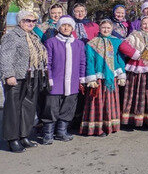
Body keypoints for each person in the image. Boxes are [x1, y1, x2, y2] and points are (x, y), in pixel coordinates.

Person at [0, 11, 48, 152]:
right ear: (20, 21)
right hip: (17, 78)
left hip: (32, 77)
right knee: (13, 109)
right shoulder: (12, 36)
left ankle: (24, 136)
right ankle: (12, 139)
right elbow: (5, 57)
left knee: (28, 108)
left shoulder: (34, 36)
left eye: (33, 21)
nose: (31, 23)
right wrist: (9, 75)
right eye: (27, 20)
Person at [42, 16, 86, 144]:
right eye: (63, 25)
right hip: (55, 81)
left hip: (72, 82)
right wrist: (49, 78)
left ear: (72, 28)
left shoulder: (78, 44)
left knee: (68, 107)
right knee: (51, 107)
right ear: (59, 27)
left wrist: (81, 79)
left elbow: (82, 62)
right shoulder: (51, 42)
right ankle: (48, 134)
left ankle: (61, 132)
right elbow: (47, 63)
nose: (66, 28)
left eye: (69, 26)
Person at [80, 19, 126, 136]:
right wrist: (91, 78)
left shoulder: (117, 42)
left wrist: (121, 75)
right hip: (98, 77)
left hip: (112, 77)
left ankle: (110, 126)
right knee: (97, 102)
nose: (106, 30)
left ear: (112, 29)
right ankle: (97, 128)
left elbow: (119, 59)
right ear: (99, 28)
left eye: (108, 28)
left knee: (110, 102)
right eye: (103, 27)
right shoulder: (92, 43)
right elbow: (89, 61)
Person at [119, 16, 148, 128]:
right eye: (144, 24)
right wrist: (135, 54)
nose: (146, 26)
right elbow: (123, 46)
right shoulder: (134, 35)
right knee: (133, 93)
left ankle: (145, 119)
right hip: (136, 67)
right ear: (140, 25)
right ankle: (130, 119)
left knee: (147, 94)